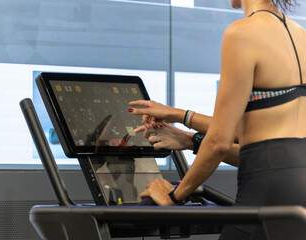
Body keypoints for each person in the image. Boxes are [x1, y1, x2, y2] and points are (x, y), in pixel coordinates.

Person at [128, 0, 306, 239]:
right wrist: (181, 118)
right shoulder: (300, 35)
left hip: (266, 185)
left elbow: (219, 143)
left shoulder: (242, 32)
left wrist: (173, 196)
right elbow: (248, 130)